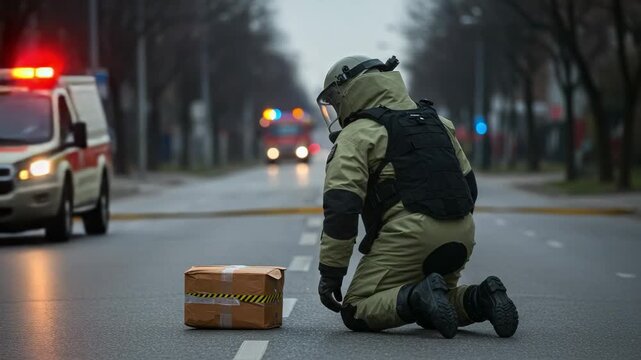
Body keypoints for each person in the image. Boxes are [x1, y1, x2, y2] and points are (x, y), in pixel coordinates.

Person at [316, 55, 518, 338]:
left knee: (356, 308)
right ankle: (483, 298)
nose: (336, 108)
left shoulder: (357, 135)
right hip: (461, 233)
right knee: (438, 301)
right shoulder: (440, 123)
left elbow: (342, 208)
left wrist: (331, 272)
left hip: (409, 236)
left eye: (335, 101)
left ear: (346, 92)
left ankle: (417, 296)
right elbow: (469, 189)